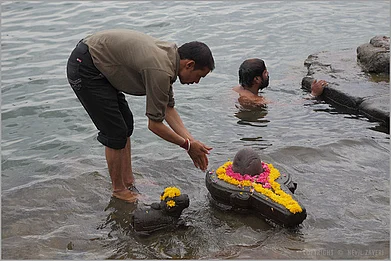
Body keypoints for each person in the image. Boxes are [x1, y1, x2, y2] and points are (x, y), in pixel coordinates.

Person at [66, 29, 214, 202]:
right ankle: (119, 190)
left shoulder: (169, 59)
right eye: (199, 76)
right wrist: (187, 146)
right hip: (85, 66)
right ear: (189, 64)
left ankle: (128, 181)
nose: (196, 82)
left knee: (126, 124)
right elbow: (154, 125)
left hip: (100, 62)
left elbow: (168, 108)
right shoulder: (160, 70)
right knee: (115, 131)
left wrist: (192, 142)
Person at [233, 58, 328, 109]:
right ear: (257, 79)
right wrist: (313, 94)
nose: (268, 74)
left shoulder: (236, 89)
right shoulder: (256, 100)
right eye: (265, 73)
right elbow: (287, 106)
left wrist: (289, 79)